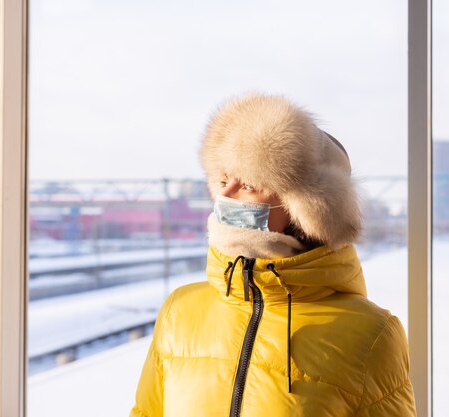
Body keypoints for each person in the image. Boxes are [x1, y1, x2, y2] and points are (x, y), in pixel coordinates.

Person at [130, 93, 417, 417]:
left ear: (306, 209)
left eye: (248, 184)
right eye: (223, 180)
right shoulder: (179, 311)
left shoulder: (372, 335)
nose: (225, 195)